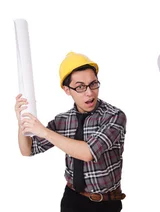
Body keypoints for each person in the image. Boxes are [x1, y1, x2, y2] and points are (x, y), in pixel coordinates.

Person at [15, 52, 127, 212]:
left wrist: (45, 132)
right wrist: (21, 120)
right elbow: (28, 150)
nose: (90, 92)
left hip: (105, 204)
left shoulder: (114, 116)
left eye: (93, 84)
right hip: (72, 199)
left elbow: (88, 152)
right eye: (80, 87)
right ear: (67, 90)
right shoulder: (63, 120)